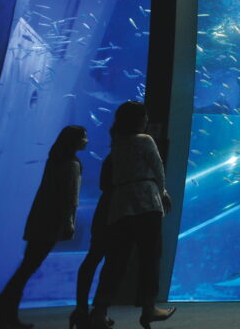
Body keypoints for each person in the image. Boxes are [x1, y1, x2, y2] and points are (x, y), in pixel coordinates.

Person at [89, 102, 175, 329]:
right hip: (146, 202)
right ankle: (149, 309)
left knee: (116, 260)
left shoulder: (117, 142)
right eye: (145, 116)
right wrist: (163, 192)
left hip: (121, 204)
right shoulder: (145, 140)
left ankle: (99, 311)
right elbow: (158, 169)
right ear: (141, 119)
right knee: (150, 257)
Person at [0, 125, 87, 329]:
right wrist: (69, 223)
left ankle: (6, 310)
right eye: (84, 137)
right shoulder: (72, 165)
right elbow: (70, 198)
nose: (86, 140)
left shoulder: (55, 159)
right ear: (74, 140)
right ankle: (6, 312)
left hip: (39, 218)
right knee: (28, 268)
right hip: (52, 222)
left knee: (26, 266)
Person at [69, 155, 115, 329]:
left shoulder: (110, 158)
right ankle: (97, 311)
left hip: (104, 211)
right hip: (115, 211)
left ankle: (81, 309)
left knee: (94, 257)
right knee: (110, 261)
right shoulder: (118, 158)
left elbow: (103, 185)